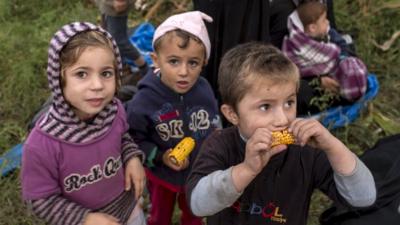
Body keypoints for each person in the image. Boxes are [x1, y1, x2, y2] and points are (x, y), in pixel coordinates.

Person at [185, 42, 376, 225]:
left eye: (289, 103)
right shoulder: (220, 144)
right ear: (232, 114)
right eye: (265, 106)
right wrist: (246, 169)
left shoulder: (305, 149)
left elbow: (364, 198)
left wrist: (333, 146)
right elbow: (198, 204)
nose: (282, 119)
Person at [21, 22, 146, 225]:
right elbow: (41, 200)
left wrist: (132, 157)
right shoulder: (42, 145)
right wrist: (85, 218)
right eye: (81, 74)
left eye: (106, 73)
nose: (97, 86)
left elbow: (122, 137)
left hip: (128, 209)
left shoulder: (114, 111)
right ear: (58, 78)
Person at [125, 11, 221, 225]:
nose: (184, 72)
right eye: (174, 61)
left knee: (195, 213)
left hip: (198, 173)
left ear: (204, 62)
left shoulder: (204, 90)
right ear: (156, 60)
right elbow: (133, 141)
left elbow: (213, 122)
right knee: (160, 215)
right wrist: (160, 156)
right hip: (162, 177)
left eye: (193, 63)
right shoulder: (144, 101)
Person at [282, 1, 368, 109]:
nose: (327, 22)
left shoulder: (327, 29)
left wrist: (343, 59)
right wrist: (317, 82)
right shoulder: (296, 43)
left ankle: (348, 92)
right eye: (324, 21)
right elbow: (294, 69)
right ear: (312, 28)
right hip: (306, 81)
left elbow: (340, 43)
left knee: (354, 72)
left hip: (334, 68)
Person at [96, 0, 149, 78]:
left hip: (116, 6)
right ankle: (122, 64)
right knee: (106, 36)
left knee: (118, 41)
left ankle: (144, 67)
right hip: (107, 5)